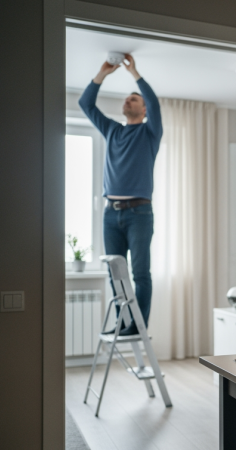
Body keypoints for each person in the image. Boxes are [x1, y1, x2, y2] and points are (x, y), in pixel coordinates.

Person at [79, 54, 162, 336]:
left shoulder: (150, 133)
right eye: (126, 99)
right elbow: (85, 104)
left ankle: (138, 325)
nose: (128, 101)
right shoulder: (113, 130)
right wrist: (101, 74)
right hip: (110, 214)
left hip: (139, 214)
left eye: (134, 99)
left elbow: (155, 102)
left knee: (140, 274)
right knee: (116, 275)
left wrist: (135, 73)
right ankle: (124, 322)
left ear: (144, 110)